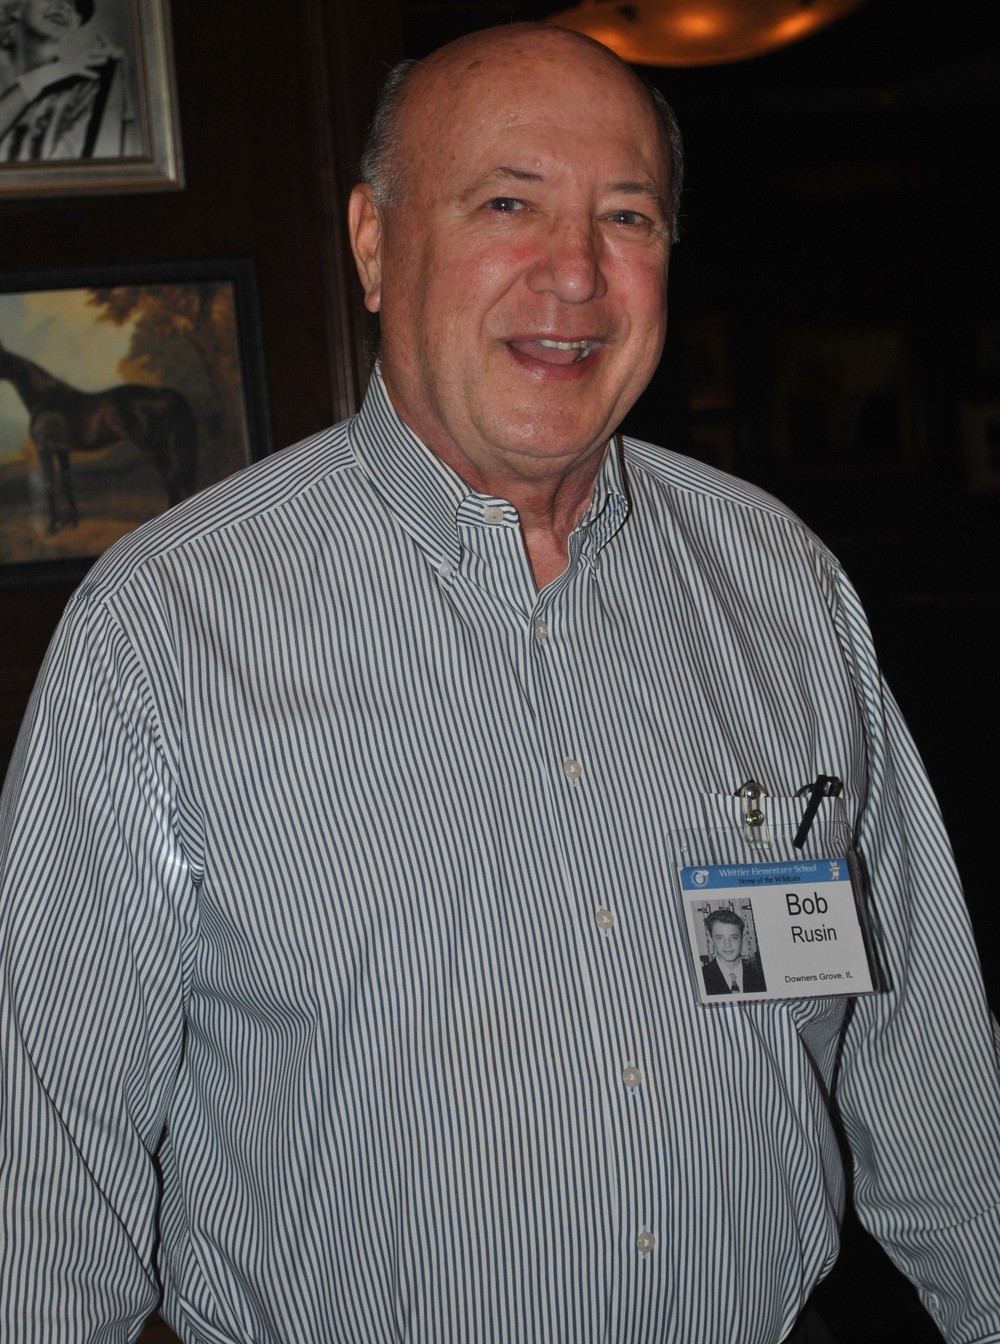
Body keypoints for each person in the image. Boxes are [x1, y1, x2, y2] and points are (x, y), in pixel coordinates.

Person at [1, 21, 999, 1344]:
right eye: (508, 204)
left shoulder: (781, 587)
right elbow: (45, 1175)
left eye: (627, 216)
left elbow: (924, 1060)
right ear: (374, 243)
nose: (575, 273)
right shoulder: (165, 631)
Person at [0, 0, 137, 161]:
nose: (65, 7)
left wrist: (116, 83)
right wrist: (43, 76)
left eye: (75, 6)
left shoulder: (81, 92)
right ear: (16, 7)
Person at [702, 908, 767, 994]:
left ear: (743, 938)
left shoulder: (760, 979)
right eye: (719, 938)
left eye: (733, 937)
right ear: (710, 939)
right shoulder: (701, 978)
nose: (727, 945)